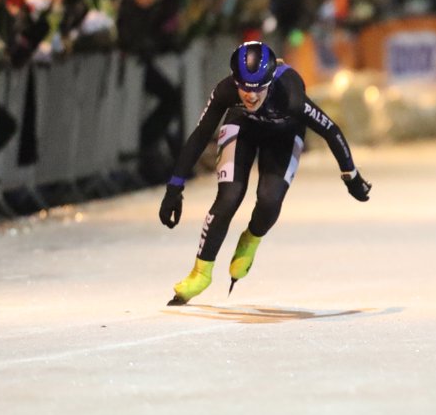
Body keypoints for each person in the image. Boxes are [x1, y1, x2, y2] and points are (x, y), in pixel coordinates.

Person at [159, 41, 372, 305]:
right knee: (229, 196)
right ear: (234, 81)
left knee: (270, 199)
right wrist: (174, 187)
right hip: (243, 127)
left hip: (284, 135)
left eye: (258, 89)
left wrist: (350, 176)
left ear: (270, 81)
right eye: (244, 89)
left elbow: (331, 130)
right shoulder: (226, 90)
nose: (250, 96)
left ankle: (251, 239)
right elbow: (200, 135)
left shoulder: (291, 97)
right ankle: (201, 273)